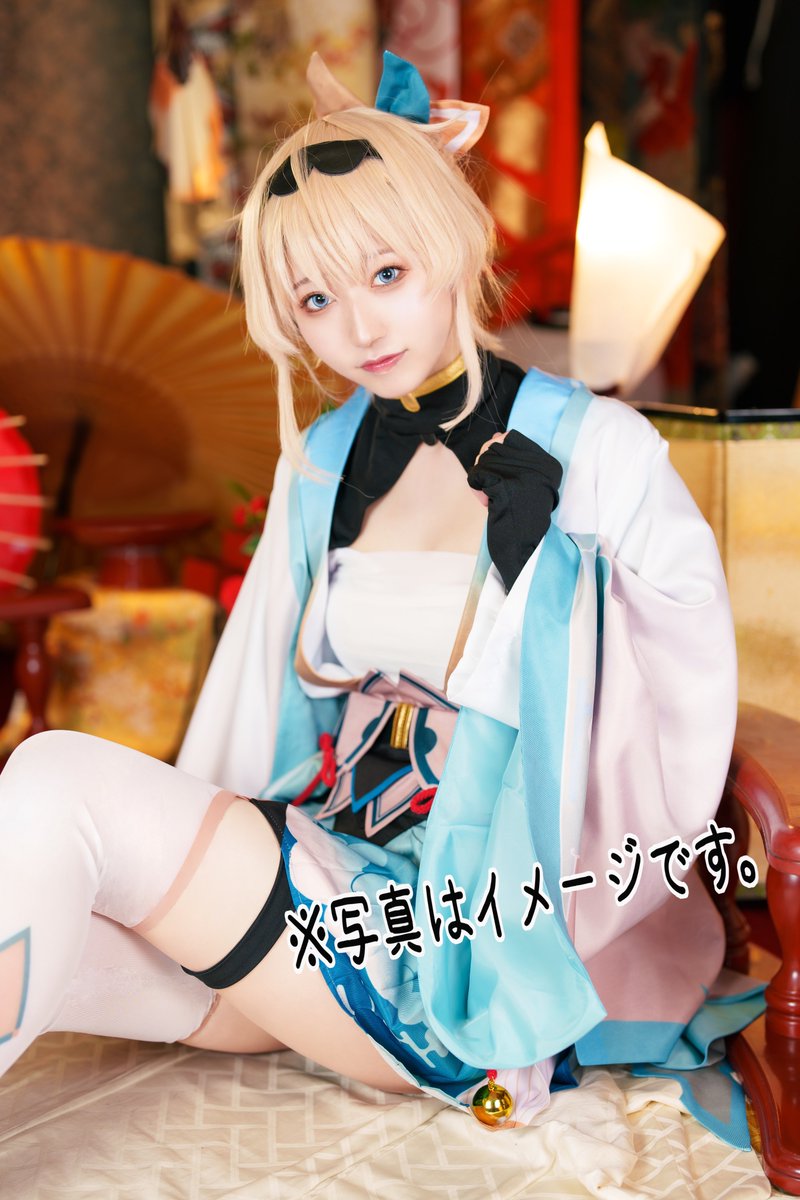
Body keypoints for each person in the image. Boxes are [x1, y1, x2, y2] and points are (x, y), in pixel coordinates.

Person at [0, 53, 761, 1137]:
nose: (358, 330)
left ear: (454, 245)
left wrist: (550, 576)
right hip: (319, 888)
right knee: (52, 889)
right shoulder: (324, 460)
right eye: (316, 299)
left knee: (51, 776)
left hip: (458, 941)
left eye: (386, 273)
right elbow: (255, 704)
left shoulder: (599, 450)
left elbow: (680, 711)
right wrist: (188, 867)